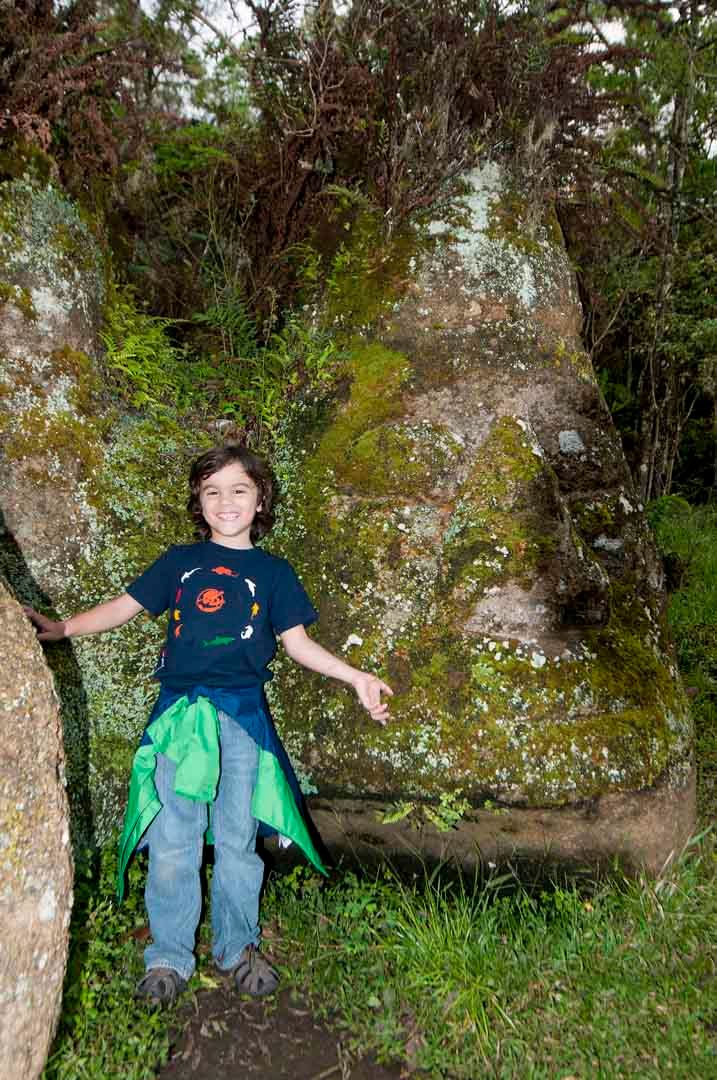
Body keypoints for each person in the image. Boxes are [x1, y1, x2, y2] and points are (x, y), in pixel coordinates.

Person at [25, 444, 392, 1007]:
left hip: (243, 719)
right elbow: (123, 606)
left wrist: (356, 677)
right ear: (199, 501)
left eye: (239, 489)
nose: (226, 501)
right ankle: (168, 955)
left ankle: (237, 945)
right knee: (175, 840)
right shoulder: (178, 562)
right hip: (180, 719)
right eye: (213, 490)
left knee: (240, 840)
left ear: (260, 499)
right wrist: (64, 627)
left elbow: (298, 644)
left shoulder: (273, 573)